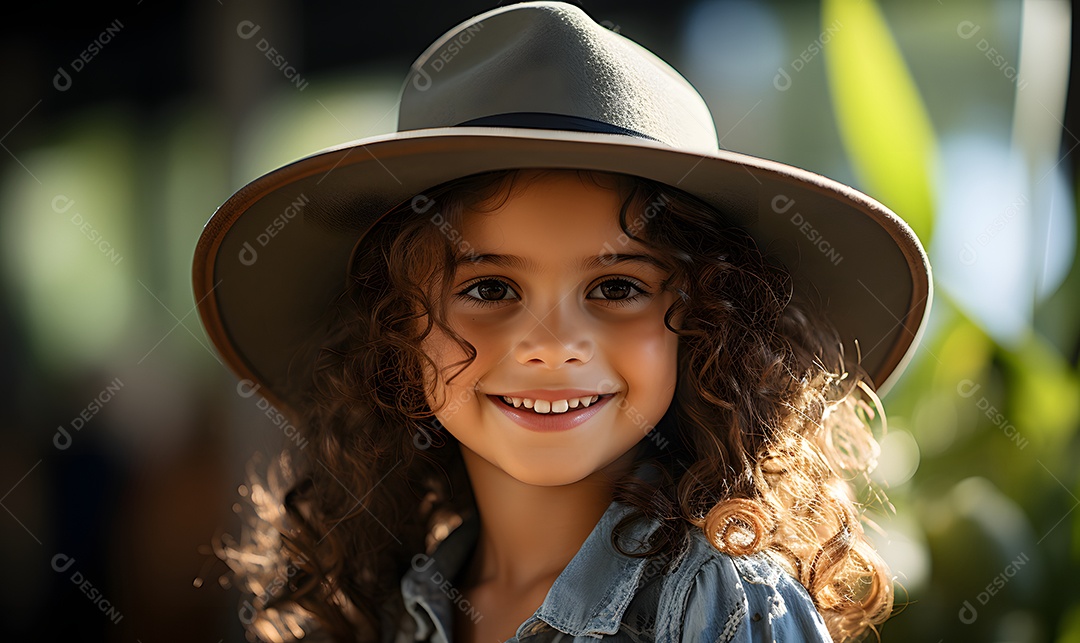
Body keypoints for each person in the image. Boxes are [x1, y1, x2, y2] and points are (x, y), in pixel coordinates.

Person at [192, 2, 932, 642]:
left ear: (707, 326)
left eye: (615, 286)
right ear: (397, 330)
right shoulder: (393, 610)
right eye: (487, 287)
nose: (550, 344)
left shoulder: (721, 607)